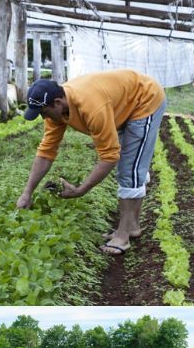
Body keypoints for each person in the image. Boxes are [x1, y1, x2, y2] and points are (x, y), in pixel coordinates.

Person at [17, 69, 167, 256]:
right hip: (121, 104)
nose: (44, 118)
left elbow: (110, 156)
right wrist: (27, 193)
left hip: (144, 99)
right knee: (128, 167)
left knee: (130, 169)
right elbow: (46, 151)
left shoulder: (91, 106)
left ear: (57, 102)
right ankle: (132, 227)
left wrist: (81, 190)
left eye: (44, 112)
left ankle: (122, 236)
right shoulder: (57, 110)